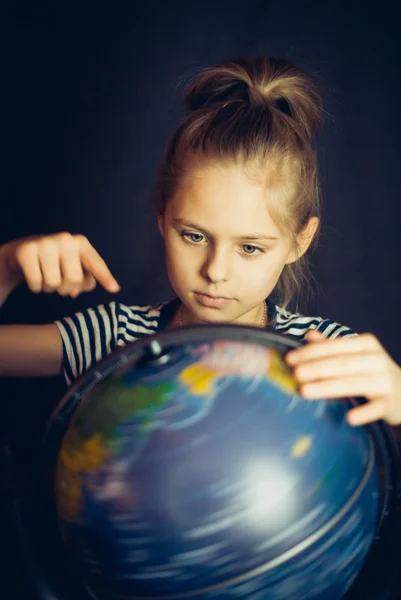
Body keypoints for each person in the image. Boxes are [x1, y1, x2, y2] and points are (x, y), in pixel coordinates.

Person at [1, 56, 401, 429]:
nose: (215, 271)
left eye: (250, 247)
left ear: (301, 240)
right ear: (162, 217)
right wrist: (7, 266)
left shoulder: (330, 357)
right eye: (194, 236)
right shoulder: (113, 339)